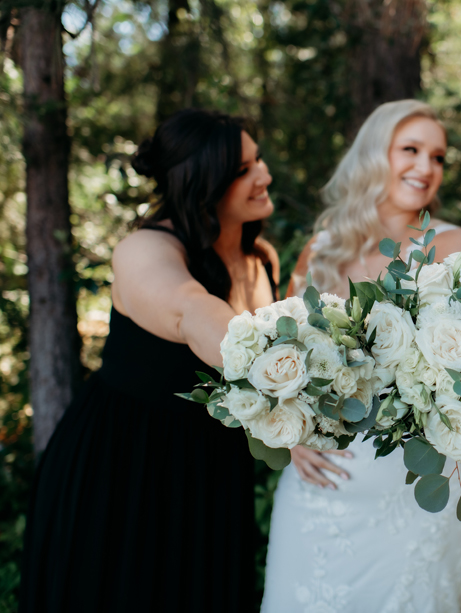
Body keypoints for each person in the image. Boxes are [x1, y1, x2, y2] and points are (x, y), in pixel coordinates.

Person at [19, 109, 279, 613]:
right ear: (203, 183)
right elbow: (189, 310)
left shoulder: (261, 258)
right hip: (127, 466)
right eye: (243, 170)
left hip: (212, 470)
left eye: (259, 159)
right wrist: (280, 374)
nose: (264, 175)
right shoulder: (144, 249)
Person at [261, 99, 461, 613]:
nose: (426, 167)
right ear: (374, 153)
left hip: (425, 486)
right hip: (323, 485)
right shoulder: (322, 248)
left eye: (438, 157)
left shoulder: (456, 249)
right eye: (410, 149)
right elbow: (280, 359)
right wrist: (290, 435)